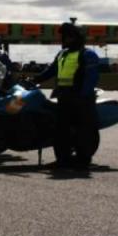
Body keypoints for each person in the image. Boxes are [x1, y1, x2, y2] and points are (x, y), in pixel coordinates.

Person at [32, 21, 100, 168]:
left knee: (83, 130)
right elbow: (50, 71)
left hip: (81, 99)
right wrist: (33, 80)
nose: (64, 39)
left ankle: (83, 161)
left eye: (67, 36)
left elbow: (91, 78)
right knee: (60, 130)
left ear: (77, 37)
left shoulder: (88, 54)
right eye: (64, 36)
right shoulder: (62, 54)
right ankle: (62, 159)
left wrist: (81, 96)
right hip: (63, 96)